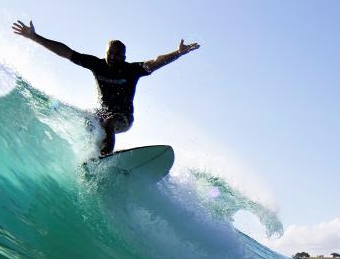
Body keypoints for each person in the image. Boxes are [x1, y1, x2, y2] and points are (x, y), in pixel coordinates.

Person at [12, 19, 200, 156]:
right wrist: (34, 37)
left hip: (124, 118)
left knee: (108, 120)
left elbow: (155, 62)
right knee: (90, 120)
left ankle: (105, 157)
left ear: (124, 57)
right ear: (106, 53)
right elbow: (66, 52)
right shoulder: (97, 64)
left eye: (118, 55)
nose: (114, 57)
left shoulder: (131, 70)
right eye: (111, 53)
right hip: (102, 114)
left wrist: (178, 53)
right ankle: (93, 155)